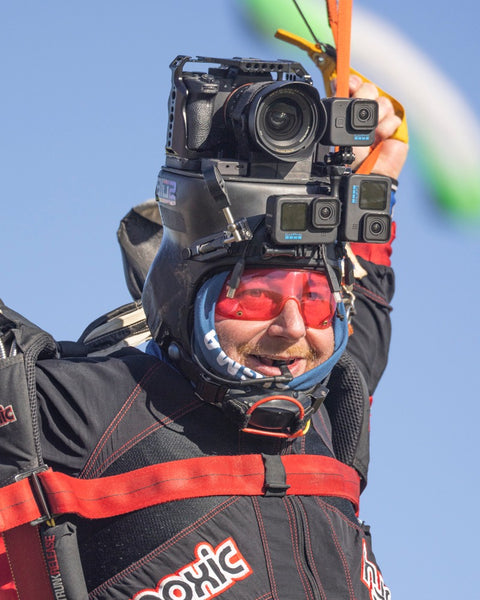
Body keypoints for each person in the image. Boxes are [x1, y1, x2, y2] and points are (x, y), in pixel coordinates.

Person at [0, 61, 408, 600]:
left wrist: (375, 175)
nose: (292, 328)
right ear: (185, 295)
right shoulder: (89, 409)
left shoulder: (336, 412)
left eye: (313, 303)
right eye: (255, 296)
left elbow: (365, 312)